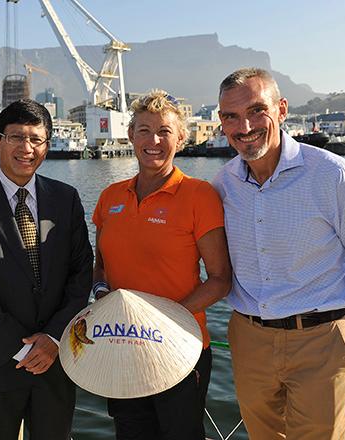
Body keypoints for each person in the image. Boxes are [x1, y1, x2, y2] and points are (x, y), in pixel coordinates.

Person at [212, 67, 345, 439]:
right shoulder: (223, 183)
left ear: (282, 109)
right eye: (231, 116)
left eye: (257, 110)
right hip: (249, 339)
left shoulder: (331, 174)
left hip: (322, 340)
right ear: (221, 121)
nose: (244, 126)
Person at [0, 99, 93, 440]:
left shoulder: (66, 198)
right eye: (16, 137)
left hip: (55, 362)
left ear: (47, 143)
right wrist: (23, 348)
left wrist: (54, 338)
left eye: (36, 139)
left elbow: (81, 272)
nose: (27, 148)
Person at [92, 90, 232, 439]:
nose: (153, 140)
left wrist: (165, 320)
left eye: (164, 131)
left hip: (180, 349)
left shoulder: (199, 195)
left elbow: (219, 280)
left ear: (181, 138)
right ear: (130, 136)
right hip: (123, 345)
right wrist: (100, 295)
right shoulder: (111, 197)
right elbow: (100, 265)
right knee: (130, 432)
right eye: (143, 130)